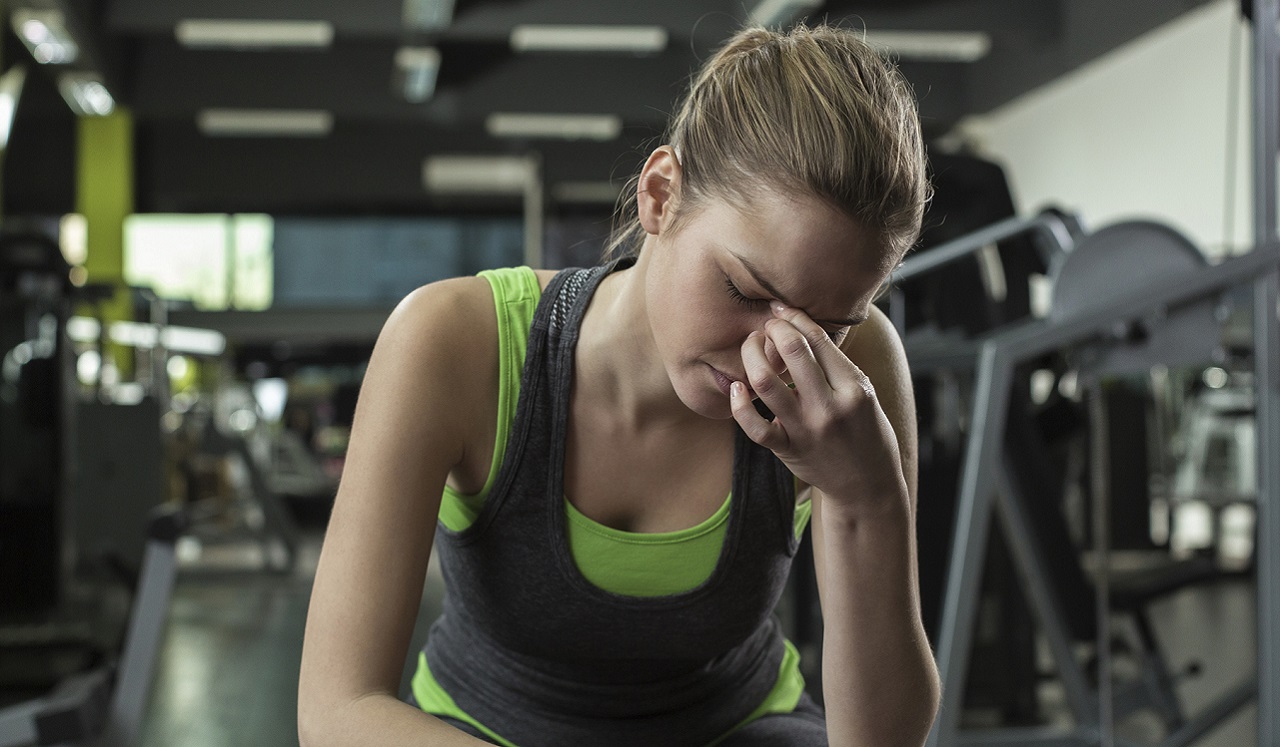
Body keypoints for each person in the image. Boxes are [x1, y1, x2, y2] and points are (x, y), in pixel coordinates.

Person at [299, 22, 940, 747]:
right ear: (661, 195)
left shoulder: (853, 377)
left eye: (827, 324)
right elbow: (336, 709)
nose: (775, 354)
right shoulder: (452, 340)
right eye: (744, 289)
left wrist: (868, 497)